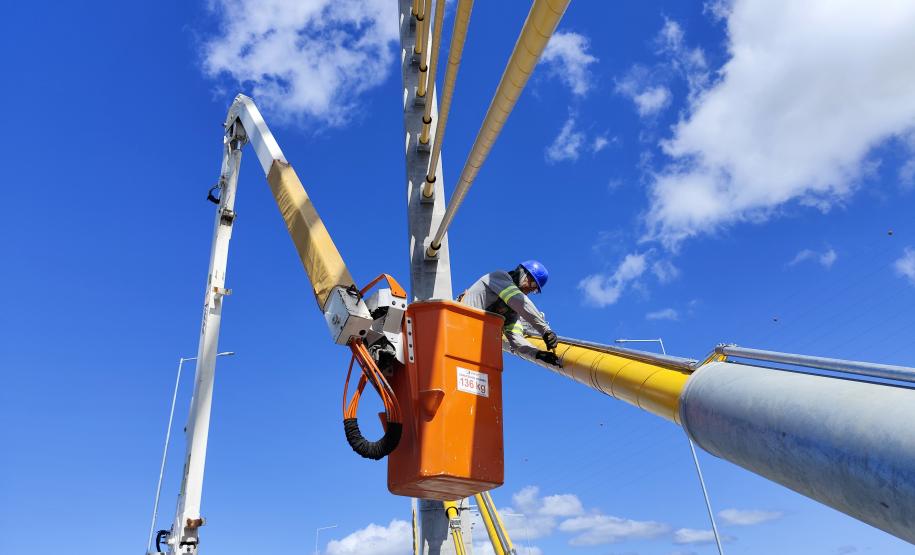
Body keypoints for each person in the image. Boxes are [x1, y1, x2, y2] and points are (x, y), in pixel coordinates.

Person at [457, 260, 561, 367]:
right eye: (533, 284)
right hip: (458, 329)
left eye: (534, 290)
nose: (530, 290)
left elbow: (516, 339)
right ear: (523, 273)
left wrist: (538, 354)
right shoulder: (499, 277)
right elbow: (520, 301)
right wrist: (545, 330)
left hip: (475, 347)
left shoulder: (511, 311)